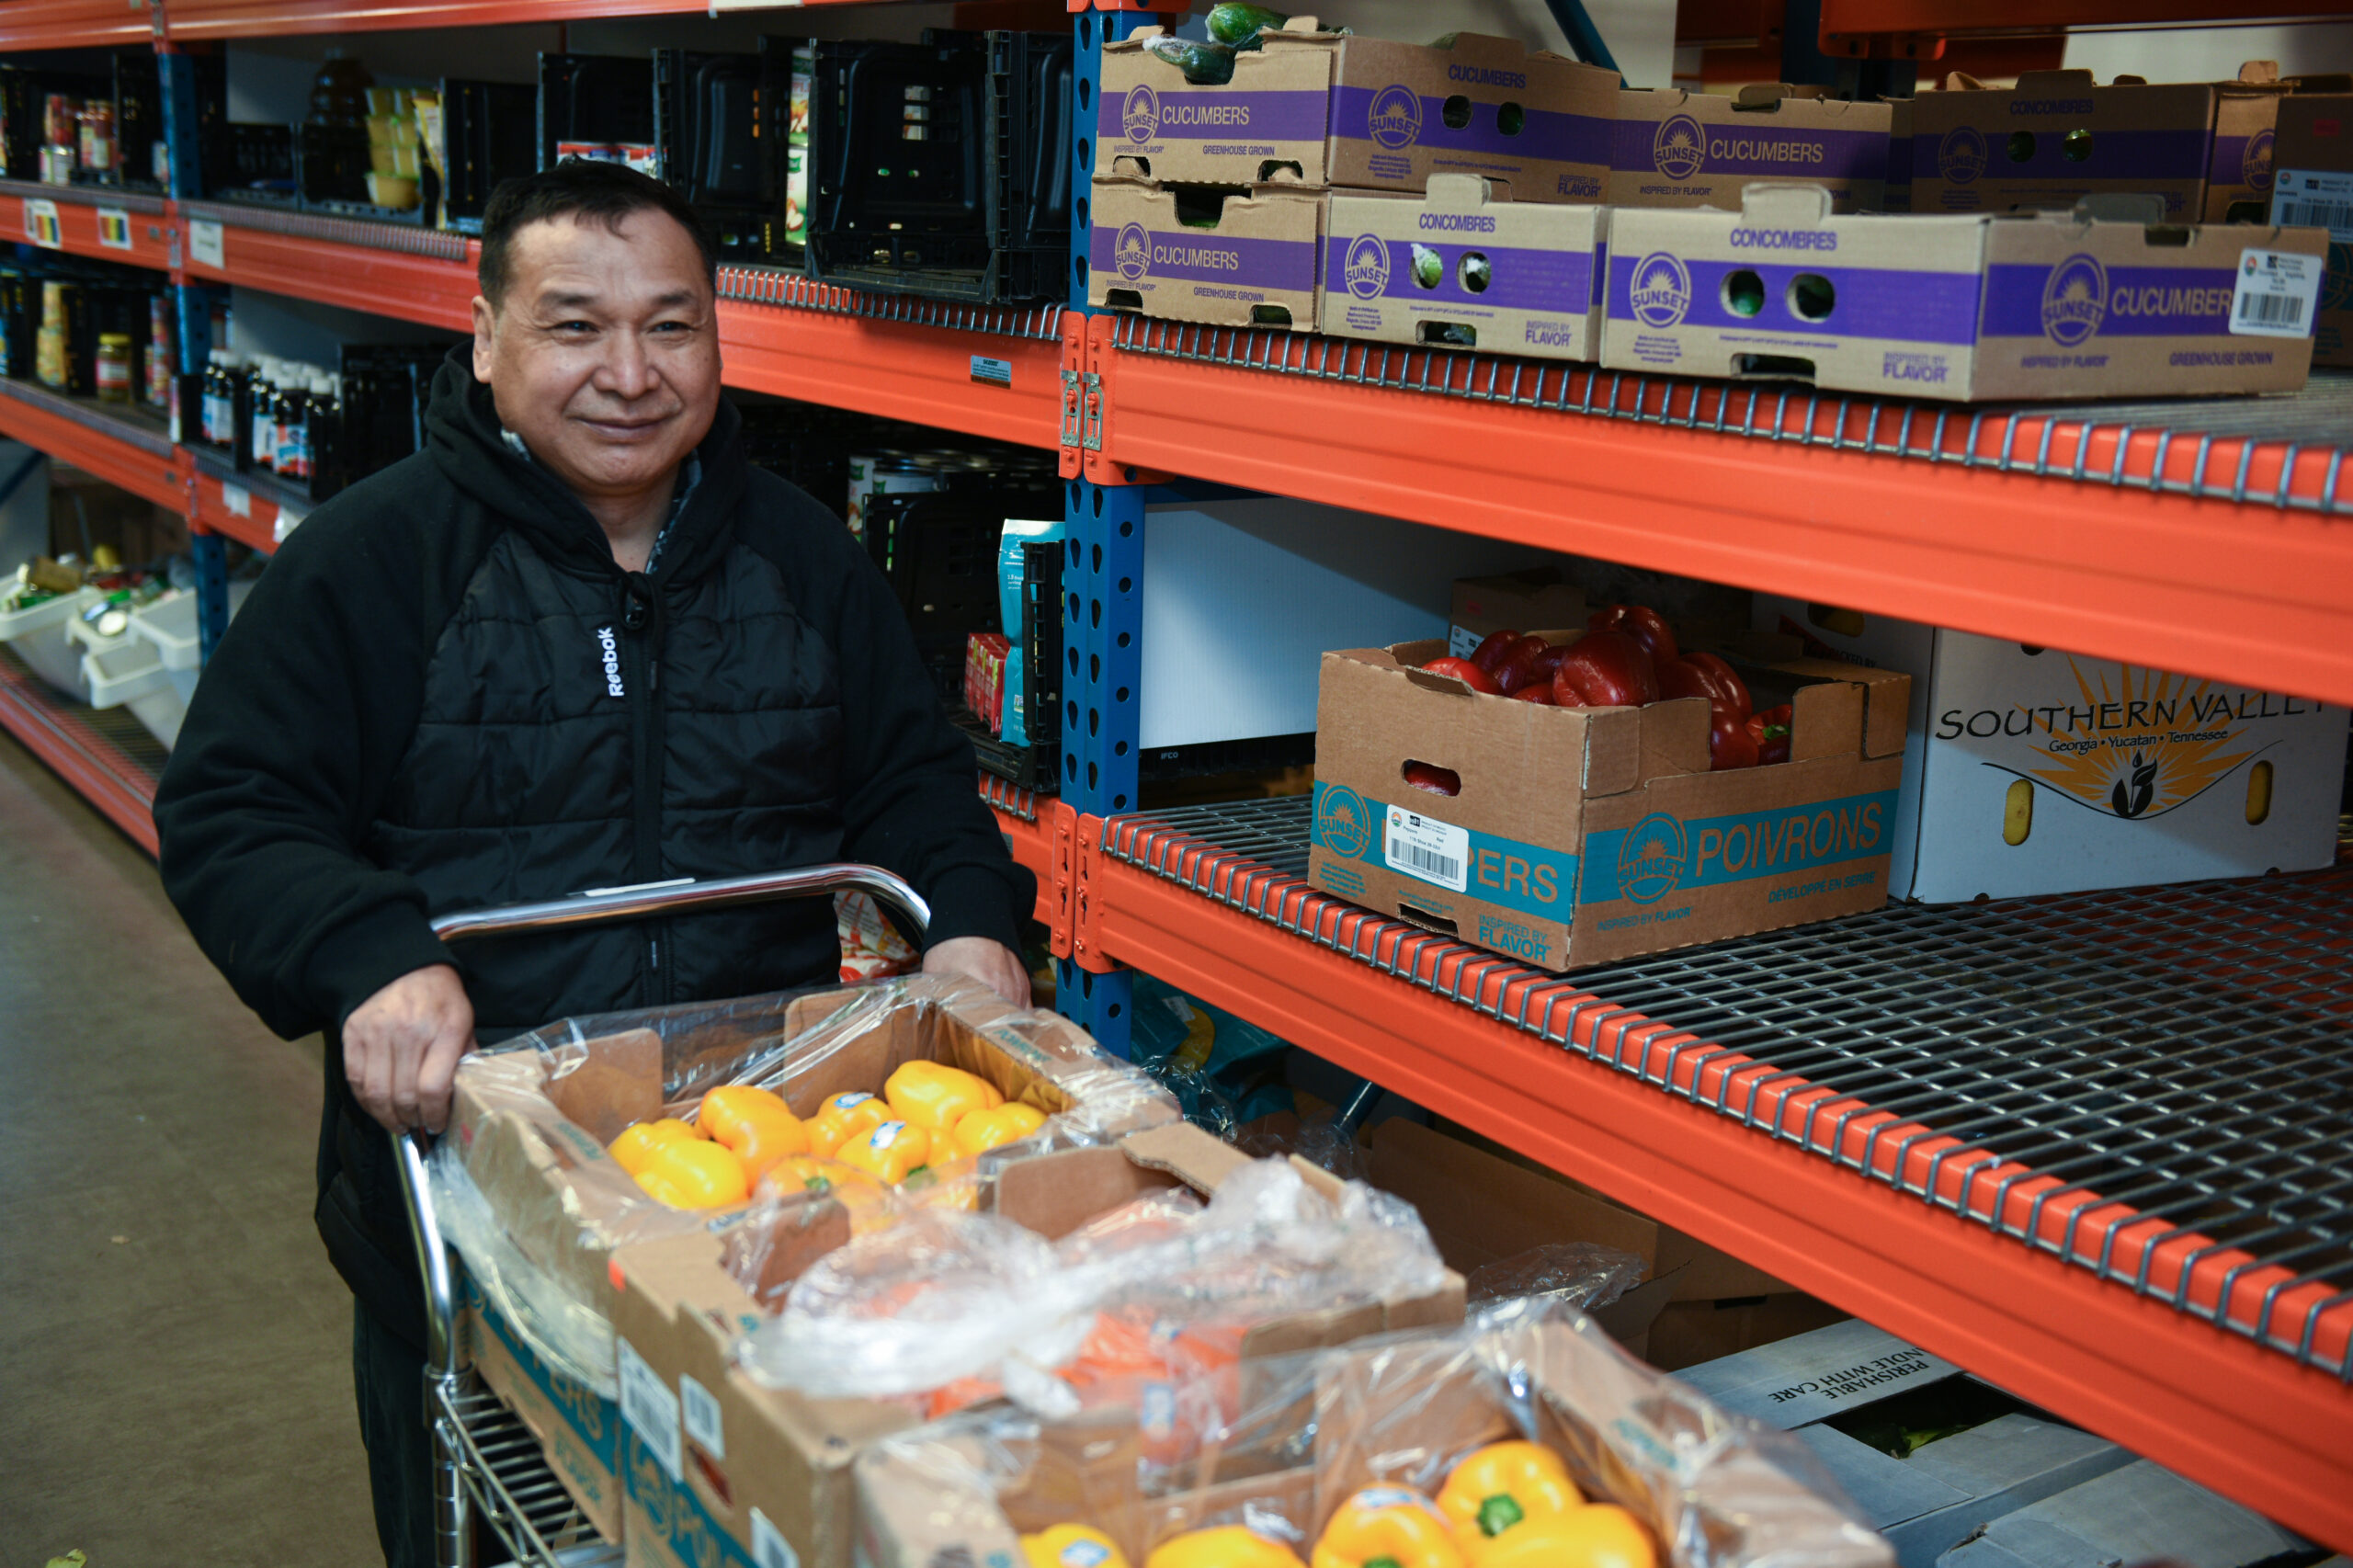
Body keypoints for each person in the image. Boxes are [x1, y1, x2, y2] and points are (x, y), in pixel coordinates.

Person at [153, 158, 1036, 1566]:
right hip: (471, 1200)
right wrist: (365, 949)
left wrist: (972, 922)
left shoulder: (803, 559)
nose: (629, 373)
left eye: (671, 325)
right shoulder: (373, 564)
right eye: (575, 326)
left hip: (764, 1190)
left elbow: (912, 782)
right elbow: (232, 808)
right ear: (488, 338)